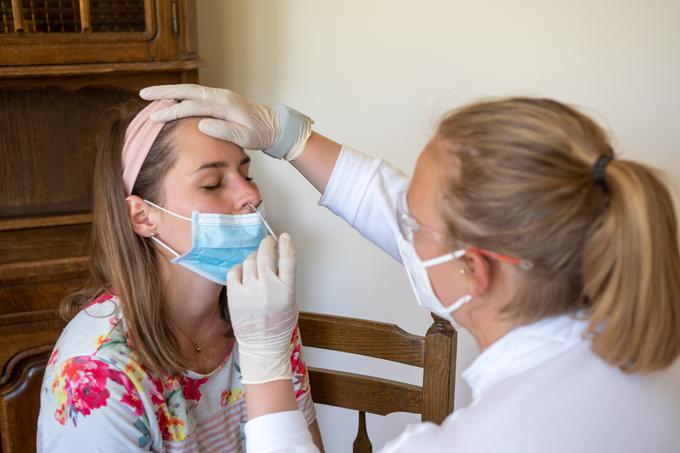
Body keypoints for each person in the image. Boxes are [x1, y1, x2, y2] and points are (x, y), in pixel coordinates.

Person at [140, 85, 680, 453]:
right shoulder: (631, 339)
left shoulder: (485, 440)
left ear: (477, 269)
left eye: (414, 225)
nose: (401, 231)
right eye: (212, 183)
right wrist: (291, 137)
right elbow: (396, 203)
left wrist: (265, 362)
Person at [37, 99, 324, 452]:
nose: (250, 194)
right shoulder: (94, 373)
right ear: (142, 216)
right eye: (212, 183)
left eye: (246, 175)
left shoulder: (264, 319)